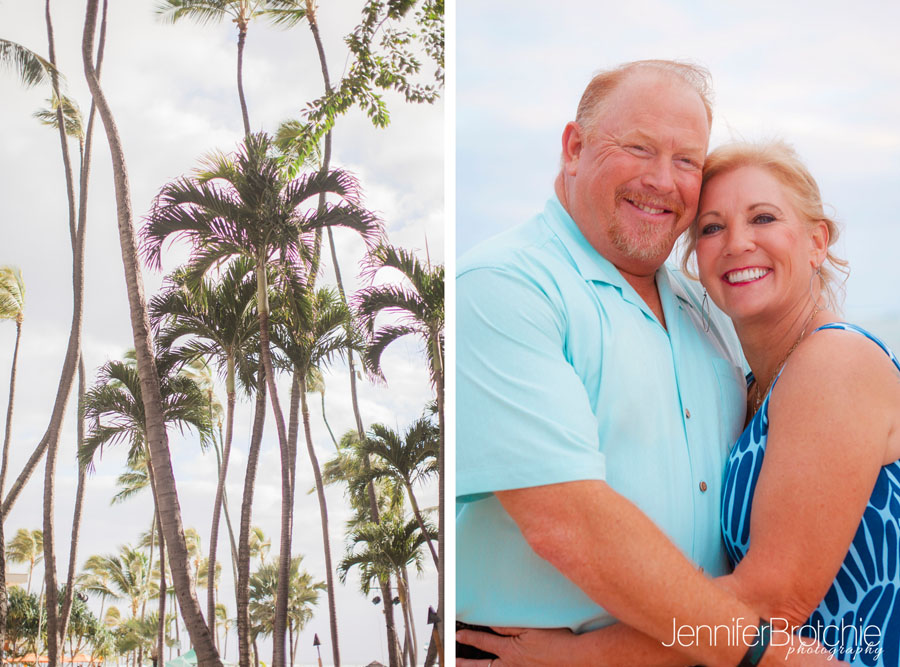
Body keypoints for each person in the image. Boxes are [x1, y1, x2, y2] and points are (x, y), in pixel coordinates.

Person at [458, 142, 900, 665]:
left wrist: (574, 657)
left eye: (763, 218)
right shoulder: (761, 378)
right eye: (711, 228)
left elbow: (771, 603)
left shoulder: (835, 363)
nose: (737, 243)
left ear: (815, 242)